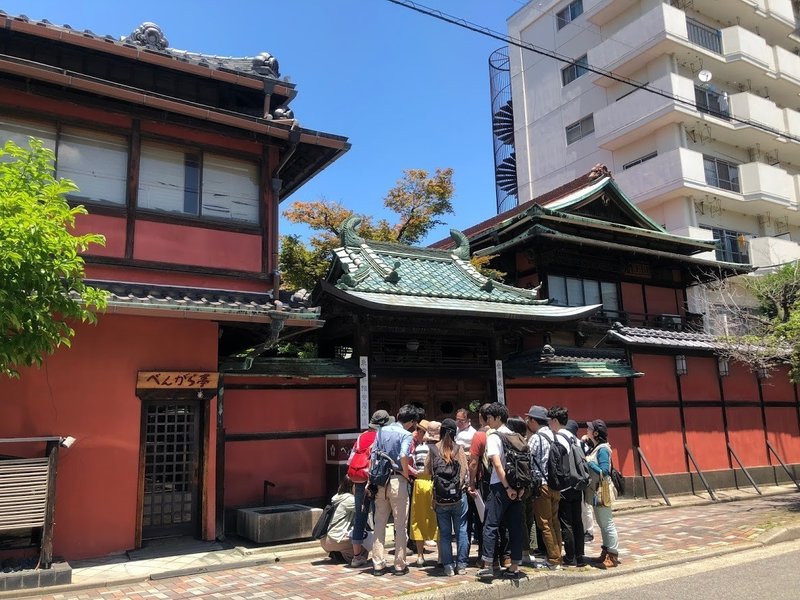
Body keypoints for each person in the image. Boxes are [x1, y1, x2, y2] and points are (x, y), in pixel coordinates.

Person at [476, 402, 523, 580]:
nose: (487, 420)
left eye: (489, 417)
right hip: (518, 488)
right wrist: (518, 488)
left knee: (490, 525)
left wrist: (506, 487)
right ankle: (515, 566)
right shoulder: (515, 435)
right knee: (515, 527)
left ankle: (488, 565)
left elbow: (496, 464)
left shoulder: (495, 437)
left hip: (499, 486)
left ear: (497, 418)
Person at [369, 404, 416, 576]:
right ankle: (399, 564)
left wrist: (370, 481)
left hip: (381, 481)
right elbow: (404, 455)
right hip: (397, 480)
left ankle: (378, 564)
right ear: (411, 421)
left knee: (379, 523)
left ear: (397, 415)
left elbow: (373, 455)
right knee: (400, 524)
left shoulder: (381, 432)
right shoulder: (407, 435)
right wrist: (405, 473)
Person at [426, 418, 469, 576]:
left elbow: (428, 470)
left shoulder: (434, 449)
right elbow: (464, 472)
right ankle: (462, 565)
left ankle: (448, 567)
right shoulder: (458, 449)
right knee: (462, 530)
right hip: (458, 496)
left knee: (444, 533)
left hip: (440, 498)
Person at [348, 409, 392, 567]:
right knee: (379, 518)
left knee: (360, 516)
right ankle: (378, 556)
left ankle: (356, 556)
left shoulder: (361, 437)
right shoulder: (381, 437)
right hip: (375, 482)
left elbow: (351, 459)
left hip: (359, 480)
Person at [469, 403, 509, 568]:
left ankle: (486, 557)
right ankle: (506, 556)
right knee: (504, 520)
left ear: (482, 417)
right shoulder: (508, 433)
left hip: (487, 481)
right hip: (506, 481)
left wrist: (471, 483)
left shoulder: (480, 436)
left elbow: (473, 463)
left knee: (485, 521)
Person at [526, 405, 565, 570]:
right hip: (555, 485)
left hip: (541, 486)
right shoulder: (554, 436)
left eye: (529, 419)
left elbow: (528, 459)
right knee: (554, 522)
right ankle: (558, 555)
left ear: (534, 420)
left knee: (544, 523)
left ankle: (553, 559)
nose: (528, 422)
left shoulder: (536, 438)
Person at [585, 419, 620, 568]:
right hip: (596, 490)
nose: (587, 430)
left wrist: (589, 462)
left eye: (589, 429)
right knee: (602, 523)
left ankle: (612, 555)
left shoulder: (603, 449)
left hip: (602, 489)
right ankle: (606, 552)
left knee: (607, 523)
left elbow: (604, 471)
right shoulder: (597, 448)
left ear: (596, 433)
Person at [409, 420, 440, 566]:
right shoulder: (437, 448)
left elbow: (411, 465)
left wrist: (414, 472)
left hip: (419, 483)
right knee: (438, 518)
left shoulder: (418, 448)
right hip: (434, 482)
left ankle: (420, 556)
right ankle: (441, 556)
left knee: (418, 519)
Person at [558, 414, 586, 567]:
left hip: (565, 485)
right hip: (578, 484)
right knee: (578, 521)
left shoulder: (560, 438)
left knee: (566, 522)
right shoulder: (578, 441)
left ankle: (569, 556)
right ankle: (580, 556)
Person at [320, 476, 357, 564]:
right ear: (353, 486)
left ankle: (337, 552)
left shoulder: (337, 497)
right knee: (364, 542)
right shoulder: (350, 499)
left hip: (325, 538)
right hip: (335, 539)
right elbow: (363, 510)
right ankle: (345, 557)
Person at [579, 422, 596, 542]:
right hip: (585, 478)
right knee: (583, 506)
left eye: (589, 428)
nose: (587, 430)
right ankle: (585, 529)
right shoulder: (584, 442)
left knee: (587, 507)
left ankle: (589, 531)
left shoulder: (596, 447)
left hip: (590, 479)